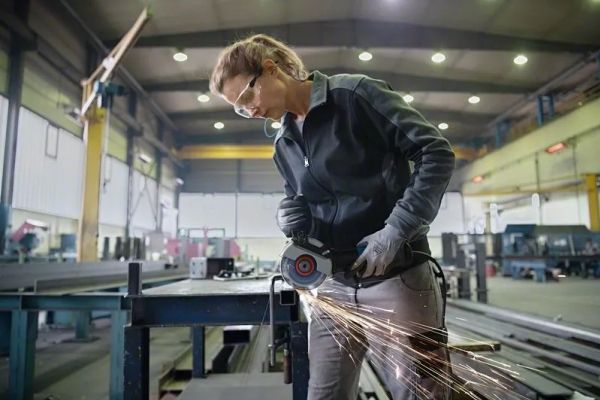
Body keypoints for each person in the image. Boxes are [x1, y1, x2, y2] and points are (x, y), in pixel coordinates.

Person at [210, 34, 455, 400]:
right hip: (333, 289)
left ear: (271, 70)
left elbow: (435, 152)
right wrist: (294, 221)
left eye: (248, 97)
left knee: (420, 394)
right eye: (241, 110)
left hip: (395, 277)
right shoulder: (284, 143)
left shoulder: (355, 96)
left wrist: (397, 229)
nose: (252, 111)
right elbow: (305, 207)